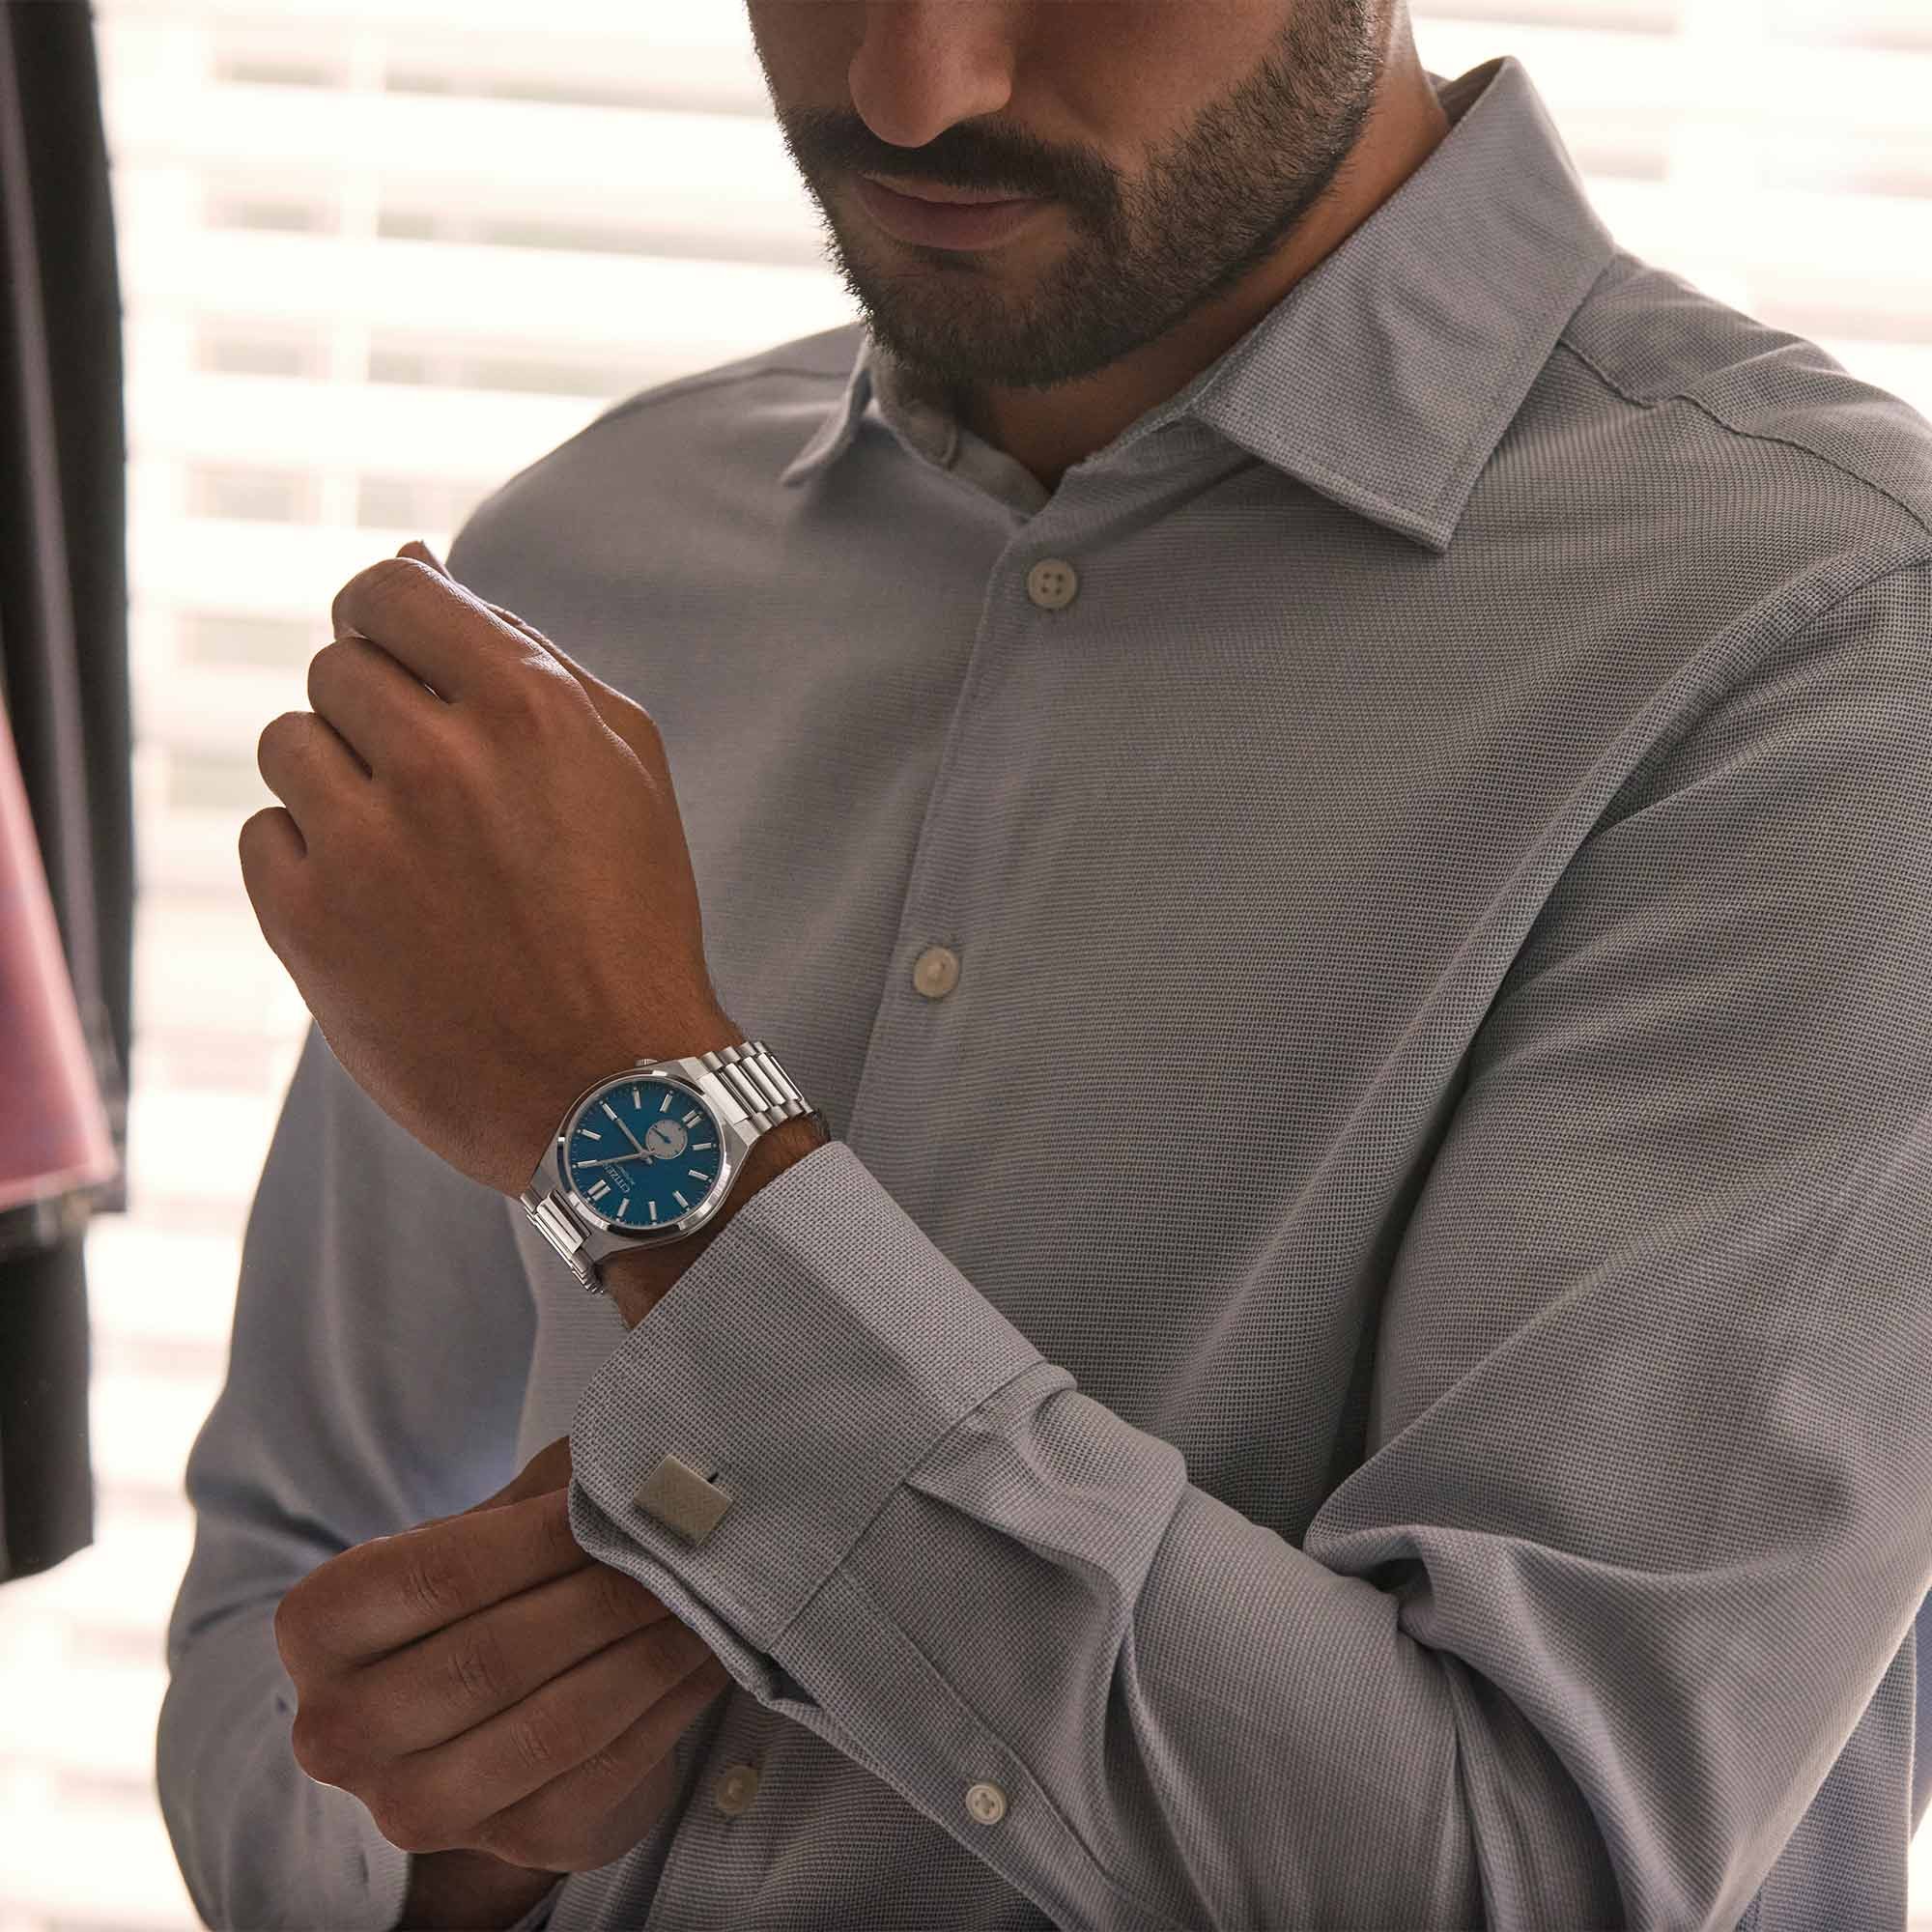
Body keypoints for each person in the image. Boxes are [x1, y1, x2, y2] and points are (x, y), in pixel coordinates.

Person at [157, 3, 1932, 1928]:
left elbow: (1522, 1883)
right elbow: (288, 1577)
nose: (913, 90)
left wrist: (656, 1136)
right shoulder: (587, 567)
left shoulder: (1828, 649)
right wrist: (444, 1844)